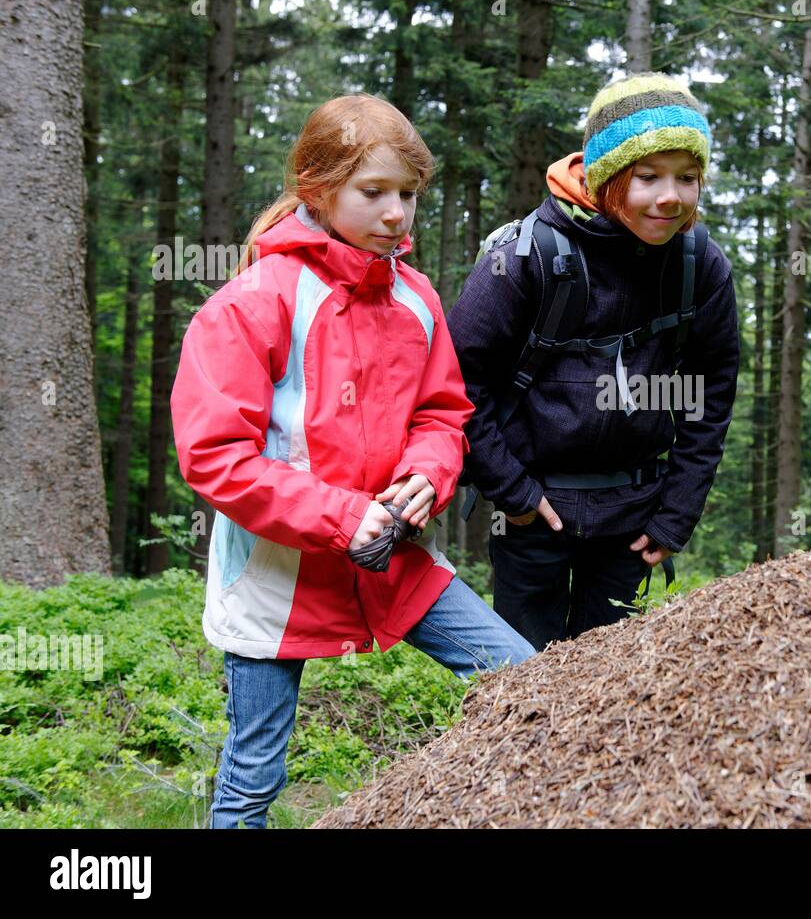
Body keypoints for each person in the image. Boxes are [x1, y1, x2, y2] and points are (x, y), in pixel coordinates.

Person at [170, 94, 535, 829]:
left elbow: (442, 413)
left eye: (407, 193)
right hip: (274, 582)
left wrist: (427, 477)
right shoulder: (253, 301)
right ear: (317, 186)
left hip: (394, 561)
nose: (396, 213)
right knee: (252, 779)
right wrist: (342, 515)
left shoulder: (417, 298)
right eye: (374, 193)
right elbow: (214, 456)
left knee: (533, 679)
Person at [448, 73, 739, 652]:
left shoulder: (699, 265)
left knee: (606, 696)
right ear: (608, 177)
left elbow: (710, 395)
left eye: (686, 177)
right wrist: (515, 494)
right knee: (521, 682)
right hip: (532, 511)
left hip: (632, 519)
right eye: (648, 176)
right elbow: (458, 382)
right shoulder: (526, 254)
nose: (670, 196)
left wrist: (675, 514)